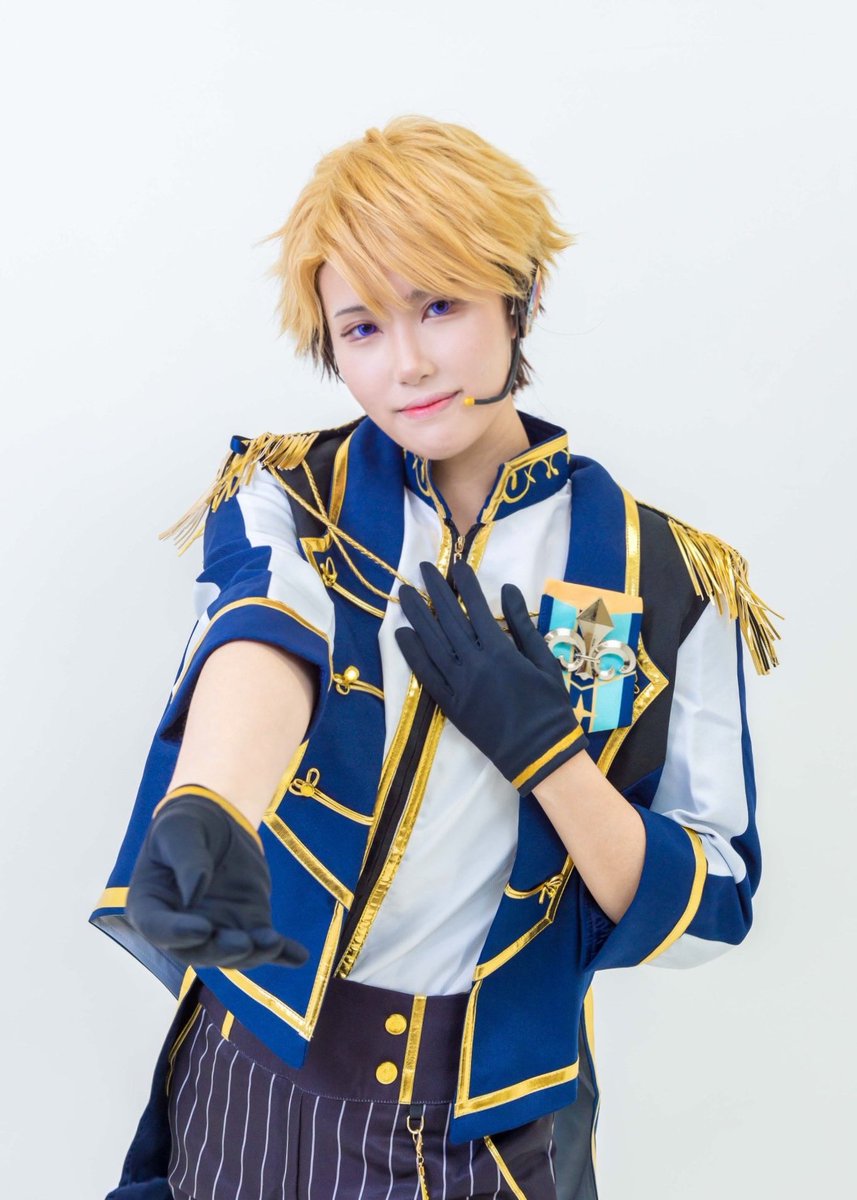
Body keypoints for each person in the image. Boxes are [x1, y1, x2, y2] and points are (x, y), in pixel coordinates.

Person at [91, 115, 780, 1200]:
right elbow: (264, 636)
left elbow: (713, 901)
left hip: (489, 1130)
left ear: (521, 296)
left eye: (440, 306)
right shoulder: (291, 496)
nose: (406, 363)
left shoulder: (657, 575)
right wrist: (210, 805)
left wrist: (549, 757)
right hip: (252, 1081)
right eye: (361, 328)